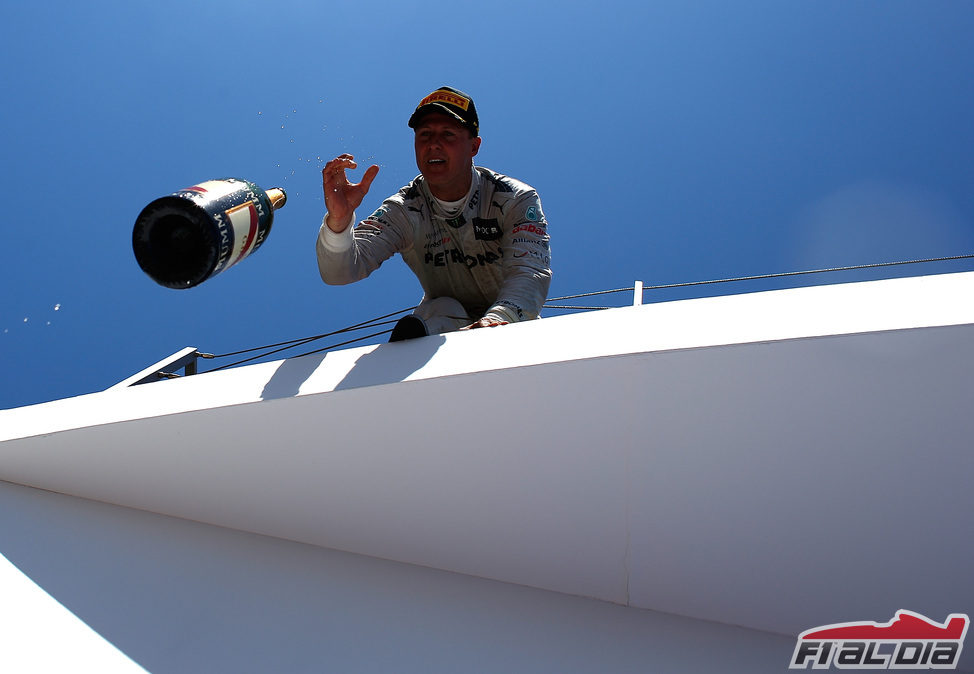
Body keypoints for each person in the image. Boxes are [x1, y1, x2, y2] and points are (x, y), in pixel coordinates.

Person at [316, 86, 552, 340]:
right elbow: (338, 272)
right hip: (440, 323)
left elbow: (529, 271)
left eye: (448, 134)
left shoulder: (515, 198)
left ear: (474, 146)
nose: (433, 145)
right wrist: (339, 222)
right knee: (441, 308)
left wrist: (498, 320)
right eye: (425, 135)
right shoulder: (404, 209)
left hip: (513, 330)